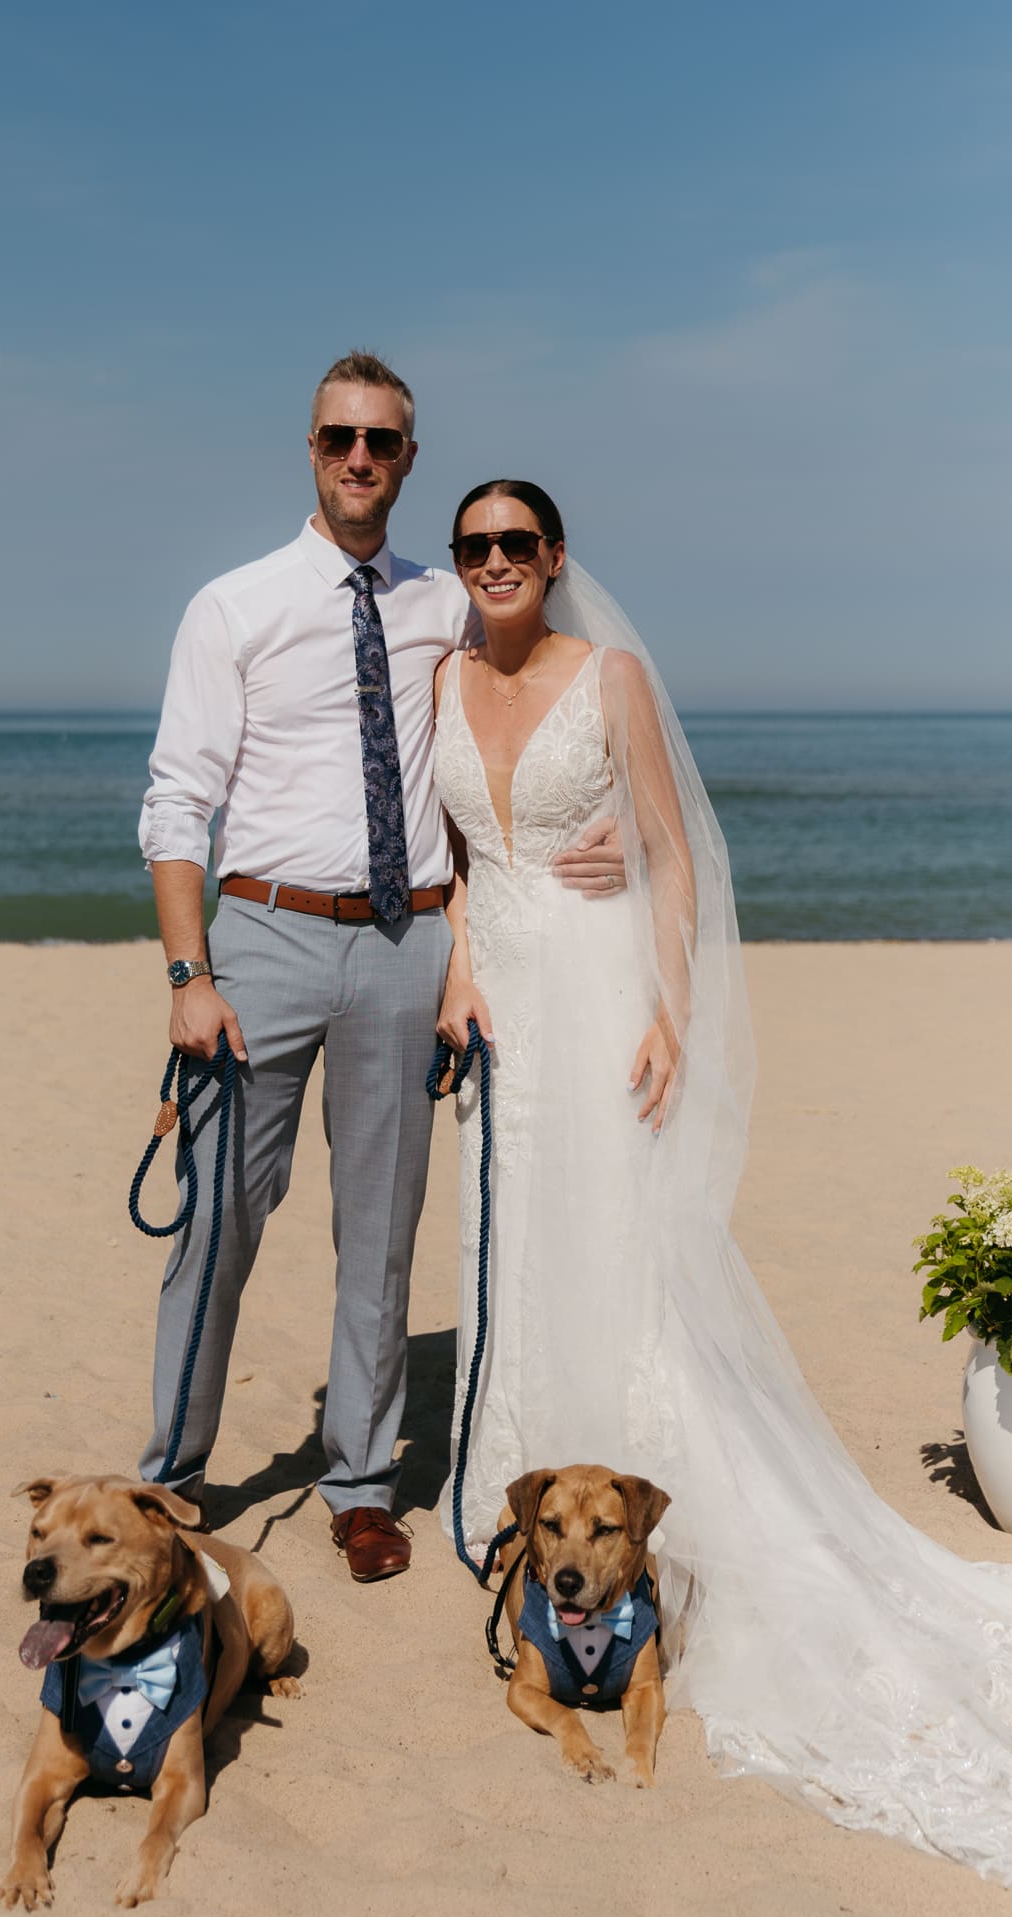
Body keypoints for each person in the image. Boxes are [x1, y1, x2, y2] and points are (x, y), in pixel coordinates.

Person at [431, 478, 1012, 1898]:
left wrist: (670, 1008)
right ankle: (529, 1517)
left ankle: (636, 1539)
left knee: (624, 1260)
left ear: (554, 560)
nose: (495, 563)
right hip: (506, 1024)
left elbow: (669, 854)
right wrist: (462, 968)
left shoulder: (604, 676)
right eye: (474, 545)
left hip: (605, 994)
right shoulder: (440, 676)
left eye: (517, 544)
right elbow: (455, 866)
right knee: (519, 1247)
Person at [136, 359, 621, 1585]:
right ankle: (175, 1473)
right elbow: (176, 802)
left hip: (408, 945)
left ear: (408, 459)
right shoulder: (231, 606)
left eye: (386, 442)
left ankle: (359, 1480)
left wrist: (607, 827)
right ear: (311, 448)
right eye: (343, 437)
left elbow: (519, 711)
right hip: (262, 937)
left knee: (383, 1231)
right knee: (219, 1218)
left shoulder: (443, 604)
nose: (363, 457)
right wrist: (190, 973)